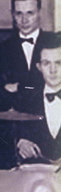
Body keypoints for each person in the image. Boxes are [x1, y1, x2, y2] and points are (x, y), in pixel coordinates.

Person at [0, 0, 49, 111]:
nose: (24, 20)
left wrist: (19, 87)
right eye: (19, 13)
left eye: (30, 13)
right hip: (17, 115)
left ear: (39, 12)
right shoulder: (1, 49)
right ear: (12, 15)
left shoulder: (54, 43)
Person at [15, 33, 61, 165]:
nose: (53, 70)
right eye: (46, 63)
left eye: (59, 63)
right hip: (38, 174)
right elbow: (11, 133)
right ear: (39, 67)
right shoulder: (26, 100)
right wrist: (20, 142)